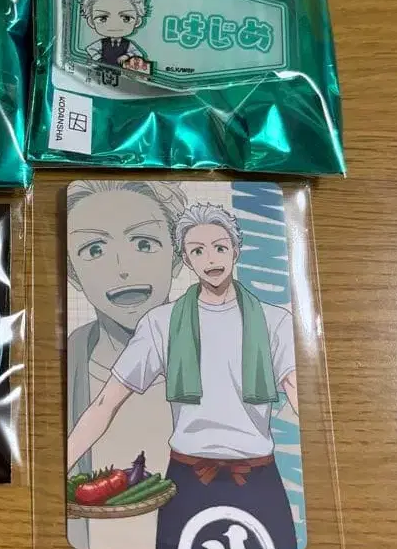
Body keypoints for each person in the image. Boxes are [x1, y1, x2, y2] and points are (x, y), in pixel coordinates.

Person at [67, 203, 299, 549]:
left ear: (236, 250)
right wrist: (61, 465)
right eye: (198, 251)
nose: (211, 259)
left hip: (258, 476)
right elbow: (106, 402)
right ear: (186, 260)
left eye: (219, 247)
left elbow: (297, 391)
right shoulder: (161, 324)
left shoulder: (274, 321)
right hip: (189, 479)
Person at [67, 180, 187, 549]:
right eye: (95, 249)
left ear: (177, 257)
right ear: (72, 273)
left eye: (144, 243)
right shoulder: (66, 361)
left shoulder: (220, 350)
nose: (123, 269)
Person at [80, 0, 150, 69]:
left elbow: (138, 53)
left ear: (137, 21)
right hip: (103, 68)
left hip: (121, 71)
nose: (114, 25)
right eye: (103, 18)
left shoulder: (128, 44)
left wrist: (127, 56)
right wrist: (98, 58)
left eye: (126, 18)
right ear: (91, 22)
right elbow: (90, 49)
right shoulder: (102, 43)